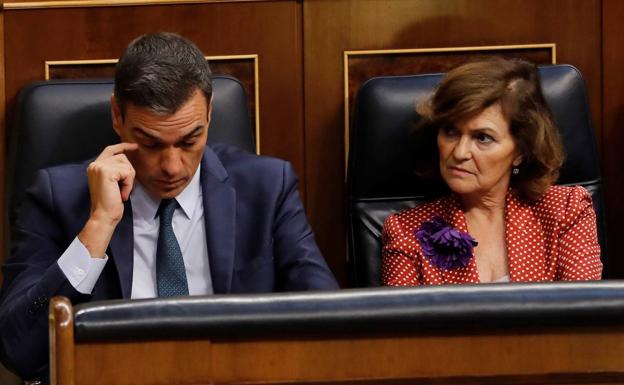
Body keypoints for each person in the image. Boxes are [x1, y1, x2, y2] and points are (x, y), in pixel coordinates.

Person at [0, 32, 338, 382]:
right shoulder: (59, 197)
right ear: (117, 116)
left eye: (190, 140)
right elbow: (19, 349)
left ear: (209, 114)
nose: (173, 167)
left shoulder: (267, 188)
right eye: (149, 142)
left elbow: (332, 324)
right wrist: (98, 226)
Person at [382, 58, 602, 286]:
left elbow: (580, 314)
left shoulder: (566, 211)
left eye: (482, 138)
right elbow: (402, 321)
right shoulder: (406, 231)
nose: (459, 152)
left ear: (520, 150)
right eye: (450, 131)